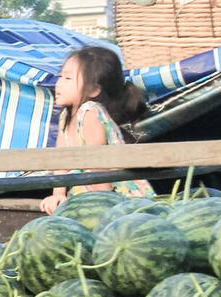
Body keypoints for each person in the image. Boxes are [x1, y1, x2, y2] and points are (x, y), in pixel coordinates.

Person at [41, 45, 152, 215]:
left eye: (68, 78)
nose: (59, 84)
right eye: (60, 77)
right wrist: (58, 194)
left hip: (116, 199)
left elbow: (98, 166)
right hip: (90, 193)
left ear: (93, 89)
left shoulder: (90, 112)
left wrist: (105, 207)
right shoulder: (66, 115)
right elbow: (61, 159)